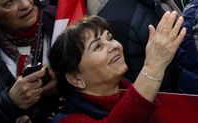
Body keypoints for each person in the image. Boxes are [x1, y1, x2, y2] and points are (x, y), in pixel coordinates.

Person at [48, 13, 184, 122]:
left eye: (110, 38)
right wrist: (153, 66)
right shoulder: (68, 120)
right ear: (75, 78)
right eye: (98, 47)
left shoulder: (126, 88)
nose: (114, 46)